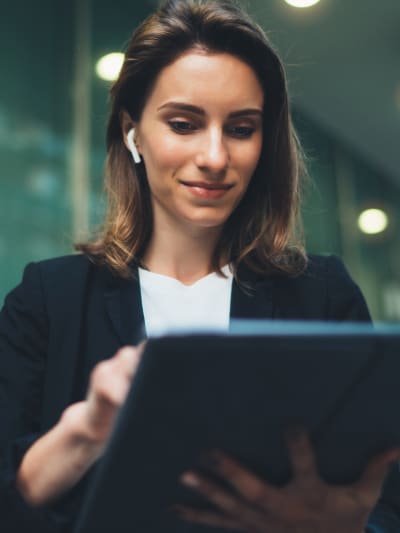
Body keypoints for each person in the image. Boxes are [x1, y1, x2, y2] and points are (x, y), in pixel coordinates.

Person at [1, 0, 400, 531]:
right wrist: (85, 429)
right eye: (184, 124)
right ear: (132, 132)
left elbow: (386, 498)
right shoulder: (48, 299)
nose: (215, 156)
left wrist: (338, 525)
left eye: (240, 128)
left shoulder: (321, 294)